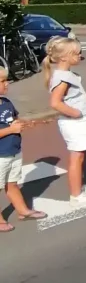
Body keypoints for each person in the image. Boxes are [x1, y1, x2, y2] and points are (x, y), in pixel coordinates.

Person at [45, 36, 86, 206]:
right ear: (64, 57)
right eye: (77, 53)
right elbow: (55, 103)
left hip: (76, 121)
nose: (80, 56)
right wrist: (75, 113)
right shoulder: (62, 78)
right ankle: (76, 195)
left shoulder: (65, 74)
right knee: (76, 158)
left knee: (80, 156)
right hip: (73, 122)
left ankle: (79, 186)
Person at [0, 67, 46, 230]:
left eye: (6, 80)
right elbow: (9, 128)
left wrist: (22, 123)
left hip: (13, 151)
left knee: (12, 183)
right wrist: (11, 130)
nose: (7, 84)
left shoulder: (6, 102)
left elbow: (15, 118)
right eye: (2, 81)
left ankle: (23, 211)